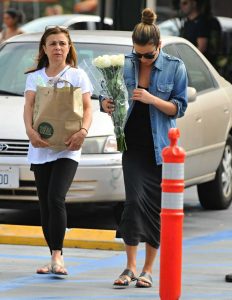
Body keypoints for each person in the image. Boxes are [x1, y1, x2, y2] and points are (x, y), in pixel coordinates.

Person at [101, 8, 188, 288]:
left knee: (154, 208)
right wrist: (106, 103)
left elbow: (178, 107)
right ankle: (129, 267)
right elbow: (107, 92)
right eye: (137, 53)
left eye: (148, 55)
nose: (142, 59)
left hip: (160, 147)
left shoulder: (175, 67)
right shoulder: (125, 64)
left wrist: (151, 99)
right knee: (134, 202)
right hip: (133, 145)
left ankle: (148, 270)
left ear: (159, 46)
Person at [23, 26, 92, 276]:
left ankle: (57, 256)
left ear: (69, 47)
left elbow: (87, 108)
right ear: (44, 48)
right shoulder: (35, 77)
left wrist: (82, 132)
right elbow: (29, 107)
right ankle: (52, 256)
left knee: (56, 198)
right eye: (52, 43)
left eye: (62, 43)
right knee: (44, 205)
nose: (58, 48)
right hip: (41, 148)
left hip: (67, 148)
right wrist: (31, 132)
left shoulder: (78, 75)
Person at [179, 0, 222, 67]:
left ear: (194, 3)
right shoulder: (187, 22)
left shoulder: (202, 22)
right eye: (181, 3)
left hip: (200, 67)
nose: (182, 6)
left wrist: (188, 61)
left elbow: (201, 48)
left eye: (185, 3)